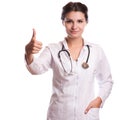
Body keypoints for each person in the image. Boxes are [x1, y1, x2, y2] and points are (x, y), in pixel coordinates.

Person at [25, 2, 113, 120]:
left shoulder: (96, 51)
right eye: (69, 21)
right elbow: (35, 69)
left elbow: (106, 81)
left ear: (86, 22)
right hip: (59, 115)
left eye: (79, 21)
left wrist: (100, 99)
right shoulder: (53, 49)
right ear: (63, 22)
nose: (74, 26)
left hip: (87, 115)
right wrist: (29, 52)